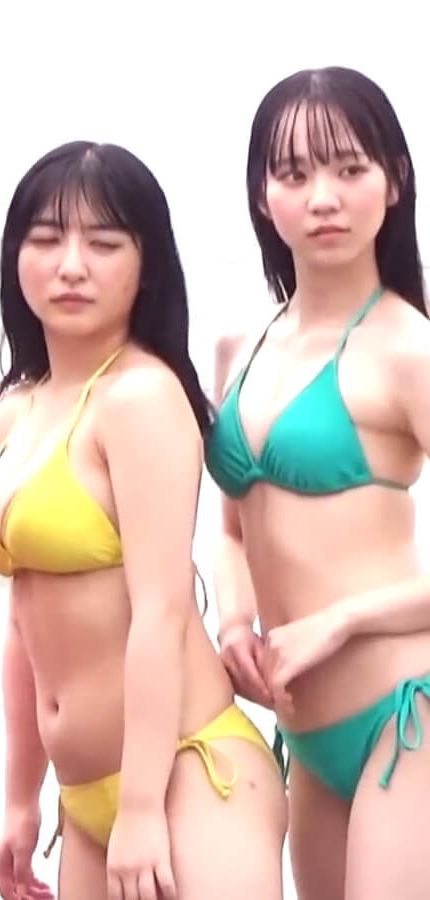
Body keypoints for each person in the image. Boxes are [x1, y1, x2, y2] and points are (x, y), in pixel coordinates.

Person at [0, 140, 287, 900]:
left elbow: (159, 611)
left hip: (188, 773)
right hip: (84, 798)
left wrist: (141, 810)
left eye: (104, 244)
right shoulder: (19, 408)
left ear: (147, 267)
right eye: (46, 240)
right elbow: (23, 625)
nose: (71, 266)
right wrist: (19, 799)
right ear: (15, 257)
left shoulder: (141, 397)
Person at [208, 66, 430, 898]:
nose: (323, 198)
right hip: (303, 738)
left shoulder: (409, 351)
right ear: (261, 196)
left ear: (393, 181)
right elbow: (232, 528)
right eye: (294, 174)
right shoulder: (238, 349)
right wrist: (235, 620)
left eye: (348, 168)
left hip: (402, 714)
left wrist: (338, 623)